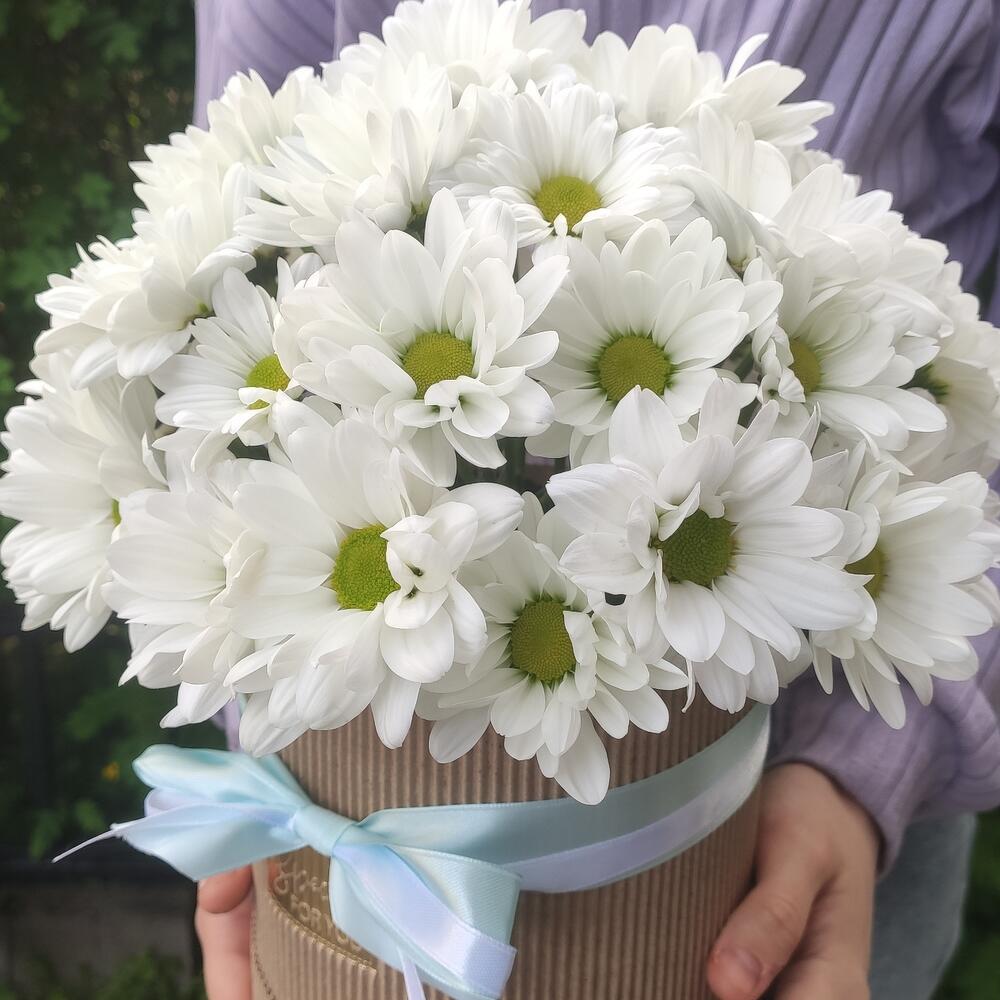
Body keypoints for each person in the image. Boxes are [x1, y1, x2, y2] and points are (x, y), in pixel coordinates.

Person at [191, 2, 1000, 998]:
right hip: (353, 772)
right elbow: (239, 209)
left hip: (813, 850)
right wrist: (258, 737)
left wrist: (867, 764)